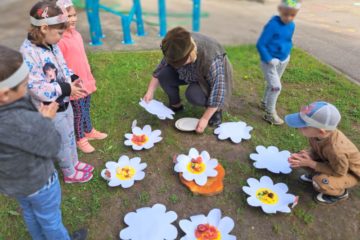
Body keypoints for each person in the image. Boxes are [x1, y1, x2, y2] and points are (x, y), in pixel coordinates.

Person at [0, 45, 87, 240]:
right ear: (5, 94)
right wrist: (45, 121)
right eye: (23, 85)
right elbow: (52, 146)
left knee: (30, 213)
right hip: (39, 183)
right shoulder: (22, 120)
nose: (28, 88)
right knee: (50, 219)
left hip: (13, 182)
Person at [20, 1, 94, 183]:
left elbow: (62, 67)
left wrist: (72, 78)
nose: (62, 37)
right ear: (44, 28)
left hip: (63, 102)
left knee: (69, 133)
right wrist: (66, 88)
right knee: (61, 140)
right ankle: (69, 173)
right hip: (49, 109)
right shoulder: (28, 52)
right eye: (60, 33)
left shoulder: (51, 45)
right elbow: (36, 87)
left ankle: (74, 162)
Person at [143, 26, 233, 133]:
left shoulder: (211, 58)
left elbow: (218, 90)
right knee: (164, 74)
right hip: (191, 73)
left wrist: (204, 118)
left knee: (193, 94)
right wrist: (150, 91)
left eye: (180, 63)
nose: (176, 66)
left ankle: (216, 112)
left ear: (190, 54)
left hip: (209, 78)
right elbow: (159, 70)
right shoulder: (176, 46)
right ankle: (176, 105)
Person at [286, 101, 360, 204]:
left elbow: (339, 172)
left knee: (321, 181)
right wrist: (308, 155)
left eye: (304, 126)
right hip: (331, 162)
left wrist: (310, 163)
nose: (298, 127)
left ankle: (340, 193)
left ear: (321, 131)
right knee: (301, 157)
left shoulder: (336, 151)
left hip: (348, 173)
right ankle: (316, 174)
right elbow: (317, 149)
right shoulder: (316, 135)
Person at [58, 0, 107, 154]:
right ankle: (80, 139)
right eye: (68, 16)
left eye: (74, 15)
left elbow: (82, 58)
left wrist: (89, 76)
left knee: (86, 107)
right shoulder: (59, 41)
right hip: (74, 84)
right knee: (78, 112)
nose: (73, 19)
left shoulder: (77, 35)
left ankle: (89, 130)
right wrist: (70, 85)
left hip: (85, 80)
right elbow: (60, 66)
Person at [256, 0, 301, 125]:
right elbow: (261, 44)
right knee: (276, 87)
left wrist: (288, 47)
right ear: (280, 10)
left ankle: (264, 103)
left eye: (292, 15)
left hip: (284, 60)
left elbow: (288, 38)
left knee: (272, 84)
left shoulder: (292, 25)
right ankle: (270, 114)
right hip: (270, 62)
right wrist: (269, 58)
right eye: (286, 14)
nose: (289, 18)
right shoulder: (273, 25)